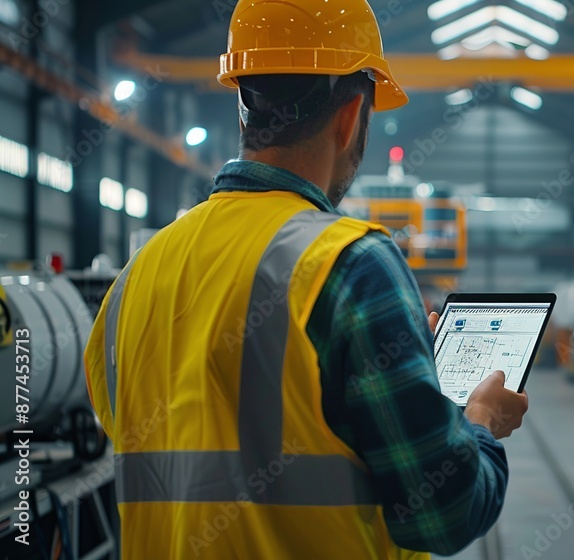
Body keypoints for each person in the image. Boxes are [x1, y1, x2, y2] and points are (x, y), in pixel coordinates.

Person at [82, 1, 529, 558]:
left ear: (243, 105)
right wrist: (479, 420)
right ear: (350, 117)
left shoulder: (135, 277)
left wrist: (392, 368)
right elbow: (443, 514)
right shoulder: (352, 263)